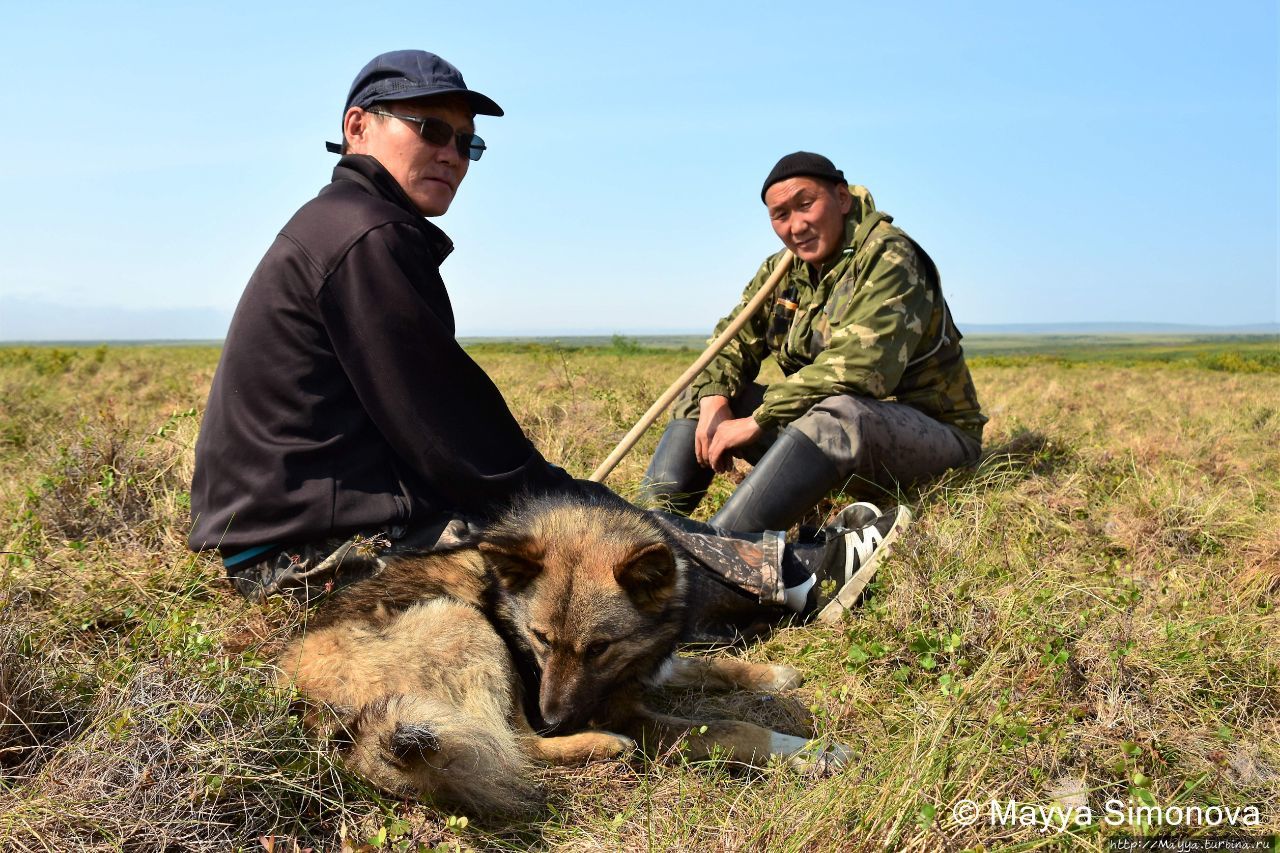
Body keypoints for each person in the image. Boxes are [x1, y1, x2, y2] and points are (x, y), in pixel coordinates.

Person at [189, 52, 901, 633]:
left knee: (580, 522)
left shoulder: (346, 224)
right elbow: (459, 444)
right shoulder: (366, 239)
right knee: (577, 550)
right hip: (306, 559)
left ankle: (778, 562)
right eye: (429, 129)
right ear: (358, 126)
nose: (452, 154)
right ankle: (796, 582)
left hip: (301, 534)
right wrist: (580, 502)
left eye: (466, 142)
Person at [640, 152, 986, 536]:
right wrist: (714, 402)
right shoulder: (781, 269)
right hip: (835, 440)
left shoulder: (889, 254)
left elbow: (862, 369)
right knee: (704, 394)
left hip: (932, 437)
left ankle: (723, 554)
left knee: (836, 416)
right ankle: (643, 533)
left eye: (806, 205)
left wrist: (759, 420)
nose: (797, 225)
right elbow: (730, 342)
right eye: (781, 215)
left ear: (841, 199)